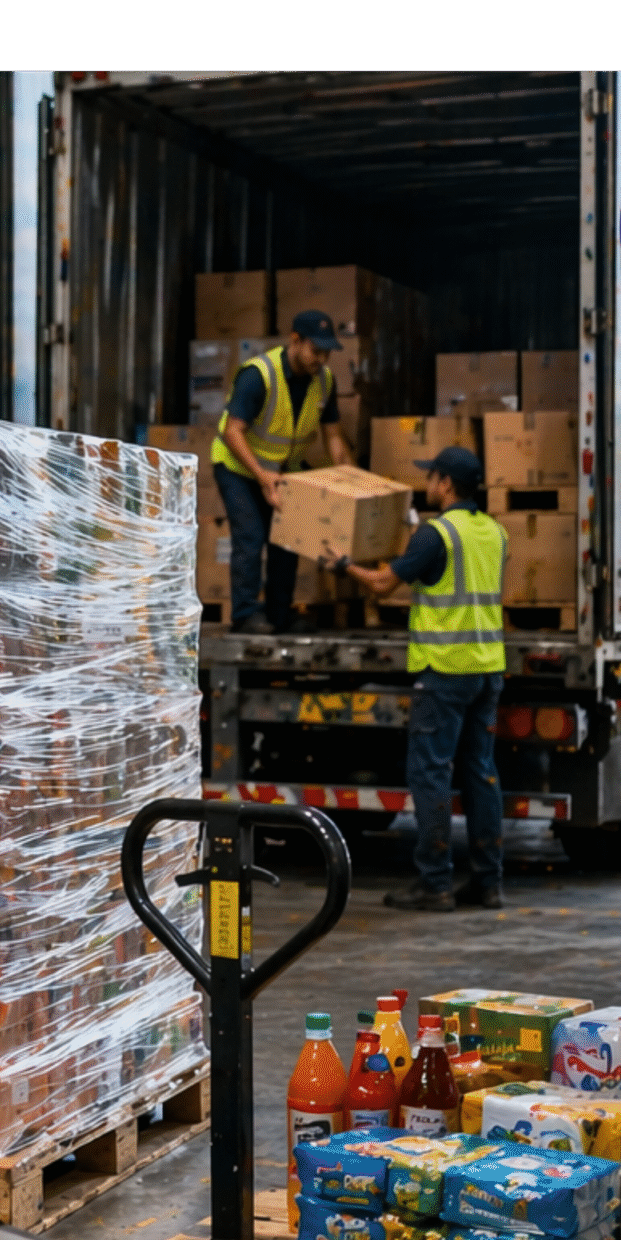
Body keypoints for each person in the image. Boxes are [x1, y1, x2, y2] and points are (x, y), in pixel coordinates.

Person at [333, 446, 507, 911]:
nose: (428, 484)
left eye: (432, 477)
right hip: (487, 668)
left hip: (445, 669)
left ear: (445, 483)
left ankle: (435, 883)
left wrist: (343, 565)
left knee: (430, 773)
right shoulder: (495, 532)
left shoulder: (436, 534)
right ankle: (488, 882)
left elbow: (383, 583)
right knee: (481, 773)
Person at [210, 310, 359, 635]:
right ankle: (245, 615)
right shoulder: (258, 375)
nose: (321, 359)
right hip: (238, 467)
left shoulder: (325, 381)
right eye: (315, 350)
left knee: (288, 538)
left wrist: (349, 477)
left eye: (327, 352)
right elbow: (233, 432)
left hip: (282, 470)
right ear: (295, 340)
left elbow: (333, 435)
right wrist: (261, 475)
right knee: (251, 536)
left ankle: (279, 615)